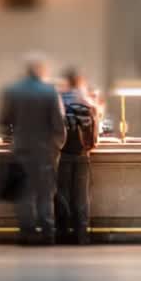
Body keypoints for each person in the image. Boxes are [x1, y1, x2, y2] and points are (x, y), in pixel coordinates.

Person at [0, 52, 67, 246]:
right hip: (45, 151)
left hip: (21, 149)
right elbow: (57, 124)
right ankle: (47, 233)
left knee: (24, 194)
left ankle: (26, 233)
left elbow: (3, 121)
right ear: (41, 69)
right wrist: (56, 147)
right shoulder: (49, 91)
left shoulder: (11, 91)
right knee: (45, 194)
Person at [56, 67, 99, 245]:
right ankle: (82, 235)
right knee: (81, 196)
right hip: (82, 153)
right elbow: (94, 132)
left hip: (62, 153)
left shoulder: (58, 101)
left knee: (63, 194)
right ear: (79, 81)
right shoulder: (87, 102)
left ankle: (63, 233)